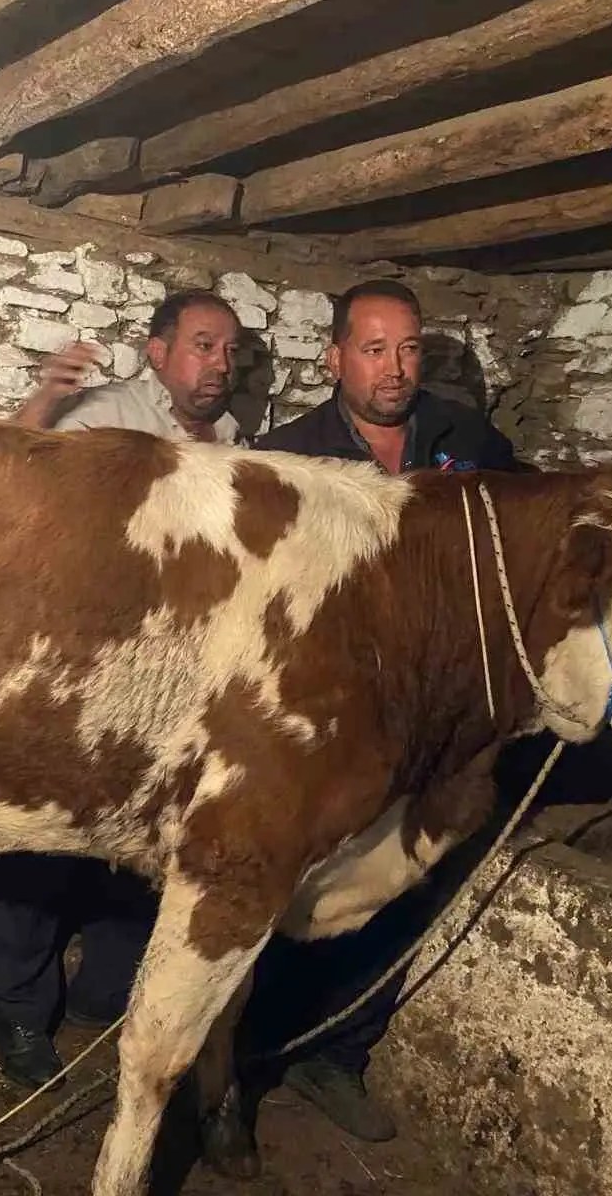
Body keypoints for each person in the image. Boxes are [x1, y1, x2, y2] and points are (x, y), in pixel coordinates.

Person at [245, 278, 522, 1143]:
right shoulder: (288, 455)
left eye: (407, 348)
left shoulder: (466, 438)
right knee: (294, 879)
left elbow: (522, 532)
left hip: (435, 703)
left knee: (402, 873)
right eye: (374, 349)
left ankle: (340, 1053)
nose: (395, 369)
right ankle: (246, 1059)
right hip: (323, 708)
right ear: (334, 358)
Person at [0, 288, 245, 1089]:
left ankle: (101, 997)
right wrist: (38, 403)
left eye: (229, 351)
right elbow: (4, 476)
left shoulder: (238, 443)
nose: (219, 365)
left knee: (145, 846)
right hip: (77, 664)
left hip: (174, 678)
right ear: (158, 351)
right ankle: (18, 1013)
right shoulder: (106, 412)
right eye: (203, 345)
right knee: (39, 841)